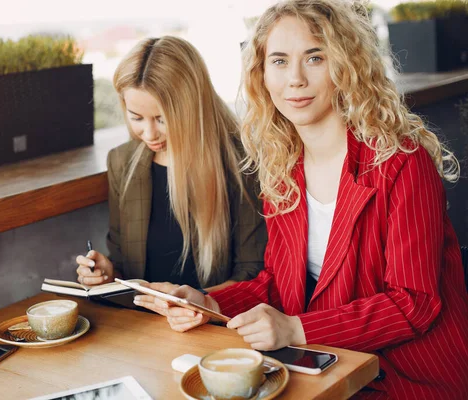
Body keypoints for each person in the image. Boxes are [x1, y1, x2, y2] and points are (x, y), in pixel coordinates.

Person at [135, 1, 468, 398]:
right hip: (326, 363)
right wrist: (208, 303)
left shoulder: (401, 162)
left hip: (407, 375)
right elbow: (278, 284)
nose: (295, 79)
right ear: (261, 74)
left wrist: (297, 329)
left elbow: (414, 303)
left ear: (346, 66)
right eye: (279, 61)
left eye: (314, 57)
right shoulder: (284, 166)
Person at [75, 36, 266, 293]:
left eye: (161, 119)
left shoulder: (241, 162)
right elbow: (123, 265)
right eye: (136, 117)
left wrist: (197, 301)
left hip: (214, 324)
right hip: (142, 322)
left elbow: (252, 274)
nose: (149, 133)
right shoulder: (122, 162)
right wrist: (107, 274)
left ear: (192, 108)